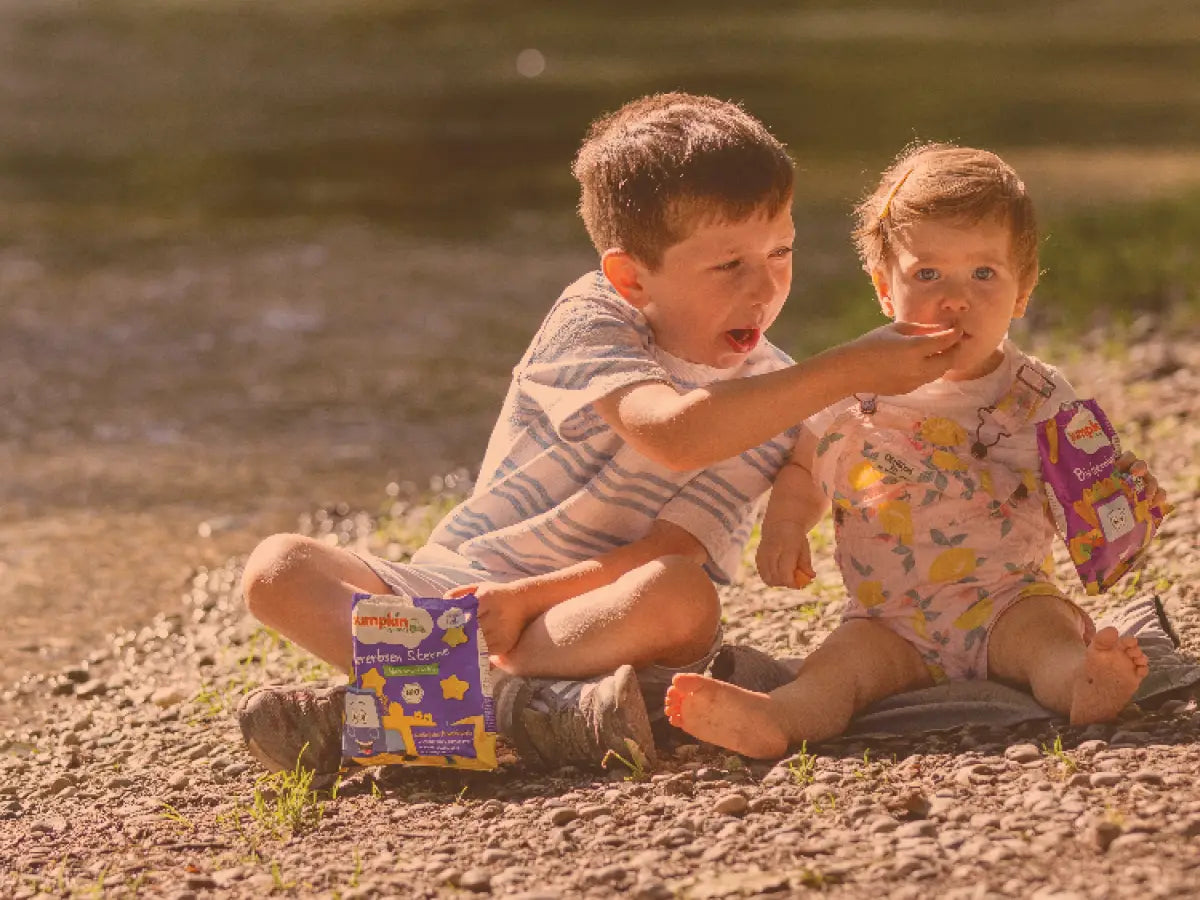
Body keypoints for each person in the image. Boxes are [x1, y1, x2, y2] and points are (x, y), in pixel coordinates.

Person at [236, 95, 963, 775]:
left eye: (781, 253)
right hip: (460, 596)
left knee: (684, 597)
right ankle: (521, 715)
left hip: (596, 618)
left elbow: (669, 551)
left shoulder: (775, 396)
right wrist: (844, 369)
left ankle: (417, 710)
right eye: (729, 264)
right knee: (277, 569)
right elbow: (674, 435)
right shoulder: (593, 318)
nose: (764, 287)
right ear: (631, 277)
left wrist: (532, 599)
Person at [665, 142, 1170, 759]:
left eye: (983, 273)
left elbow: (1090, 491)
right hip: (888, 619)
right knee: (836, 672)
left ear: (1022, 292)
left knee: (1050, 644)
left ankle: (1087, 683)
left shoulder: (1039, 395)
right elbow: (804, 464)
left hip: (1008, 599)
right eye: (928, 274)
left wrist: (1126, 507)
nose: (955, 298)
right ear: (884, 288)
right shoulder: (856, 381)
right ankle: (781, 718)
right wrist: (787, 527)